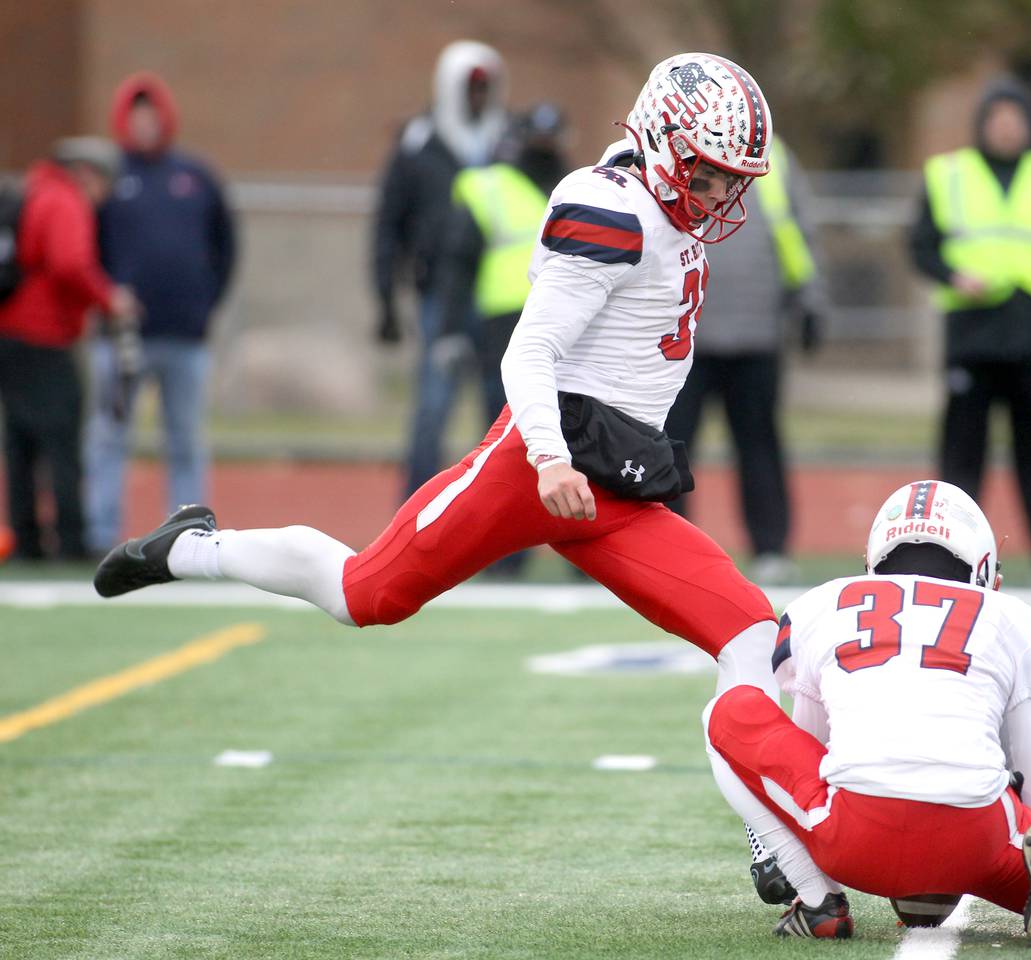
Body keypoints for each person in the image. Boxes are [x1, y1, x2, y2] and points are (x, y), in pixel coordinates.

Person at [95, 52, 780, 693]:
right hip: (546, 465)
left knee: (754, 637)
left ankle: (772, 826)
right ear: (663, 142)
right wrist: (548, 459)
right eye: (708, 172)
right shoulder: (614, 210)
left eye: (731, 180)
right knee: (364, 594)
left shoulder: (660, 204)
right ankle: (191, 547)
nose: (719, 195)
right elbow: (530, 349)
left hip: (619, 483)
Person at [703, 480, 1031, 942]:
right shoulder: (1015, 620)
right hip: (974, 834)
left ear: (873, 561)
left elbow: (813, 753)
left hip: (857, 834)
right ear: (984, 568)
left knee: (725, 712)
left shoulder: (820, 606)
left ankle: (817, 900)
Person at [910, 76, 1031, 585]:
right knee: (962, 456)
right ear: (982, 125)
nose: (1007, 129)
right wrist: (953, 277)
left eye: (1016, 119)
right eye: (997, 119)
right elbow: (921, 247)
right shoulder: (949, 174)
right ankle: (951, 556)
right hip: (973, 337)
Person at [85, 72, 237, 554]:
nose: (145, 124)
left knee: (186, 438)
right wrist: (107, 298)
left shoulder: (196, 178)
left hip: (185, 337)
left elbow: (225, 245)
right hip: (124, 339)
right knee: (110, 436)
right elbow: (86, 249)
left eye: (153, 114)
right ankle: (98, 532)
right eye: (137, 115)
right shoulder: (110, 180)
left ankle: (190, 539)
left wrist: (204, 302)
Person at [664, 137, 826, 585]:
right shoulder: (677, 151)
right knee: (671, 448)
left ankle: (770, 546)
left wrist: (810, 300)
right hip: (687, 335)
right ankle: (664, 545)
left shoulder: (778, 160)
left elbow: (798, 232)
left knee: (760, 446)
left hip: (757, 332)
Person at [428, 103, 571, 579]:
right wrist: (448, 328)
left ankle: (585, 556)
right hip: (506, 331)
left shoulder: (580, 185)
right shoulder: (489, 187)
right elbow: (457, 262)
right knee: (510, 445)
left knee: (576, 437)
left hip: (569, 329)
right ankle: (504, 557)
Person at [372, 40, 510, 497]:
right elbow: (389, 223)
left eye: (484, 88)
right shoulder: (419, 143)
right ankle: (415, 511)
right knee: (433, 406)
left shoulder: (505, 142)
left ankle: (493, 518)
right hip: (439, 295)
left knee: (501, 411)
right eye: (469, 88)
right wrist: (385, 299)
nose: (478, 99)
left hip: (498, 298)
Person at [0, 138, 138, 561]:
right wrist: (109, 297)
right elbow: (69, 263)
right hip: (45, 337)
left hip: (12, 334)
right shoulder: (63, 200)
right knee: (62, 442)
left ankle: (26, 540)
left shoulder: (34, 191)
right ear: (87, 174)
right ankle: (71, 541)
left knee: (21, 442)